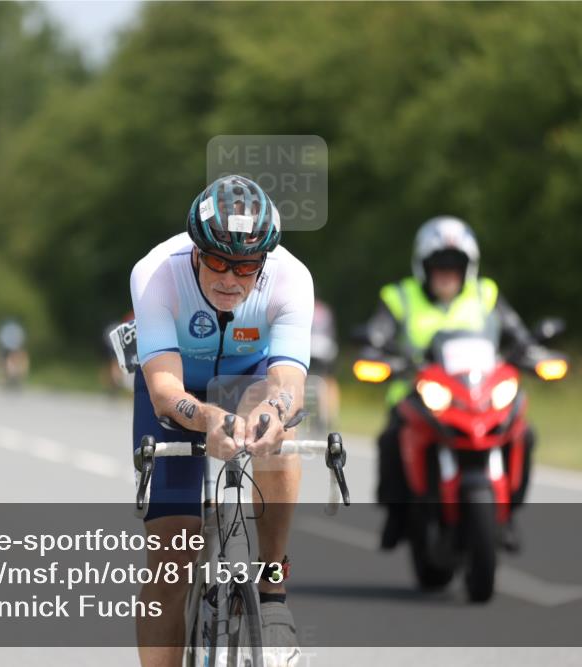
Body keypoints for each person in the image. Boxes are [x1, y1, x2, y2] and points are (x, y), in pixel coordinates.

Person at [129, 175, 312, 667]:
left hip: (248, 378)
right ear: (195, 248)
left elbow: (288, 384)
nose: (230, 279)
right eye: (216, 261)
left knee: (282, 434)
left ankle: (271, 588)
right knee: (171, 556)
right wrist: (208, 417)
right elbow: (166, 392)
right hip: (176, 388)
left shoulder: (292, 278)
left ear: (264, 261)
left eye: (247, 266)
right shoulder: (155, 274)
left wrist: (272, 415)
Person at [365, 216, 549, 551]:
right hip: (416, 392)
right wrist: (377, 350)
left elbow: (518, 335)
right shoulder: (399, 296)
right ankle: (397, 513)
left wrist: (534, 351)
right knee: (391, 438)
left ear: (469, 267)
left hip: (478, 393)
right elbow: (376, 334)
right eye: (438, 265)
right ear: (423, 266)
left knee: (524, 432)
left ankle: (507, 516)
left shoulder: (486, 294)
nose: (447, 273)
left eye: (455, 265)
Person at [309, 298, 340, 432]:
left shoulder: (301, 304)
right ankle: (329, 416)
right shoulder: (325, 309)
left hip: (310, 346)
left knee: (299, 378)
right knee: (328, 381)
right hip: (326, 348)